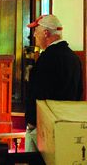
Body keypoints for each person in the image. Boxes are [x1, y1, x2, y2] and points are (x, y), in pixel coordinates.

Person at [25, 14, 83, 152]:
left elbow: (38, 95)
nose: (34, 35)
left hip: (44, 127)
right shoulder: (74, 58)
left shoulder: (46, 59)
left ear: (46, 33)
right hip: (67, 124)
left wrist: (32, 122)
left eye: (36, 31)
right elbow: (79, 91)